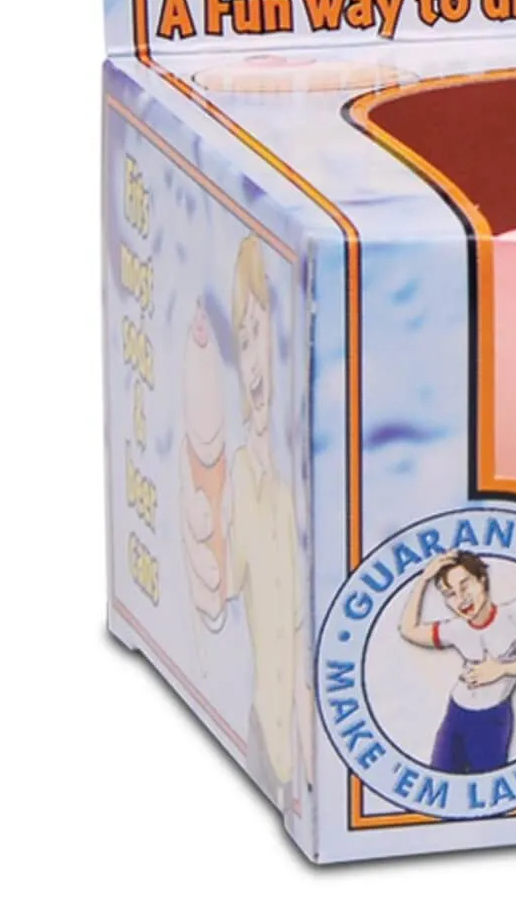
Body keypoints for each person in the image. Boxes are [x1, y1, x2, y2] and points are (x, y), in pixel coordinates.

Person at [182, 236, 312, 811]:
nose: (253, 359)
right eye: (245, 333)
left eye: (261, 330)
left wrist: (314, 780)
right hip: (262, 733)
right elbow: (222, 589)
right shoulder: (241, 472)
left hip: (292, 751)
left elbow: (302, 639)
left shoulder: (290, 490)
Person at [399, 550, 516, 774]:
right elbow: (408, 630)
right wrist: (423, 579)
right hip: (456, 714)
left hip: (492, 718)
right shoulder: (456, 629)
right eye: (450, 594)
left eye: (465, 585)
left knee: (486, 787)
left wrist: (501, 669)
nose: (461, 598)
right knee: (442, 781)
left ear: (482, 580)